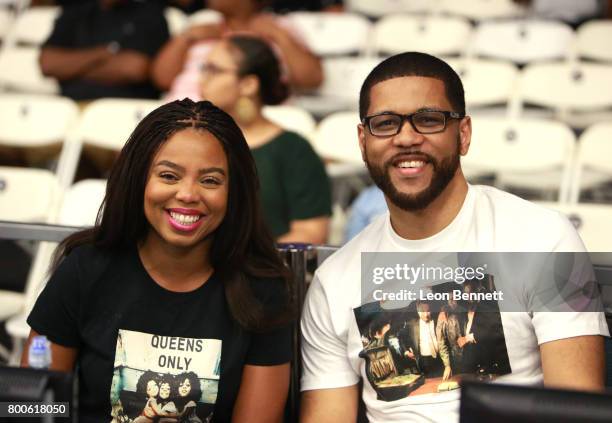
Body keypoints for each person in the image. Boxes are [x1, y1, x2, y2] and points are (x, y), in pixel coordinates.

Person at [299, 52, 609, 422]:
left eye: (428, 120)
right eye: (386, 123)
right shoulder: (333, 281)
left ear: (463, 134)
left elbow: (574, 411)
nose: (406, 138)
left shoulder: (543, 237)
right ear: (363, 141)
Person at [22, 99, 293, 423]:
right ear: (139, 180)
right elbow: (30, 405)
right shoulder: (86, 269)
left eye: (210, 180)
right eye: (168, 175)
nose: (188, 194)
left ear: (234, 192)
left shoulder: (263, 288)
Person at [199, 34, 331, 243]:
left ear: (249, 85)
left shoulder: (293, 150)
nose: (202, 79)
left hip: (263, 270)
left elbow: (311, 233)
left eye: (214, 70)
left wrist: (251, 264)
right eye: (203, 68)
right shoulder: (191, 140)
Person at [153, 0, 323, 101]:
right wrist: (187, 37)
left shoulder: (281, 27)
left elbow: (312, 80)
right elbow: (162, 79)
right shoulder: (202, 23)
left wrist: (279, 36)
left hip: (251, 119)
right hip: (181, 112)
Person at [39, 0, 169, 100]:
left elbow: (134, 68)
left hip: (128, 109)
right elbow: (47, 64)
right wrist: (105, 53)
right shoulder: (76, 11)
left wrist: (71, 69)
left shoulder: (149, 14)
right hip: (71, 107)